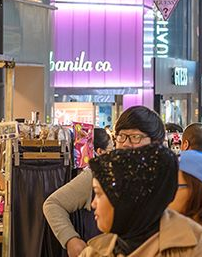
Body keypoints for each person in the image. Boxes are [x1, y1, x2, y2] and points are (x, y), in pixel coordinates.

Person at [45, 106, 166, 257]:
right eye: (121, 136)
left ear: (156, 143)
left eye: (135, 137)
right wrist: (71, 239)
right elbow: (53, 203)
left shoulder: (166, 181)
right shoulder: (100, 173)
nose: (126, 144)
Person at [80, 144, 202, 257]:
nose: (93, 204)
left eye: (99, 194)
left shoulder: (199, 247)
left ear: (126, 198)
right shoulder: (96, 251)